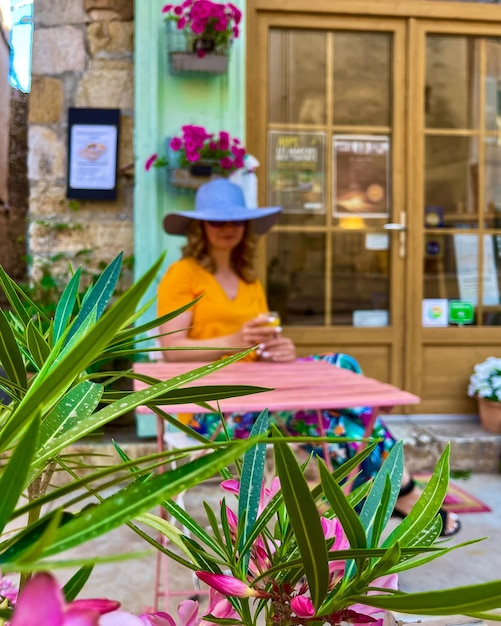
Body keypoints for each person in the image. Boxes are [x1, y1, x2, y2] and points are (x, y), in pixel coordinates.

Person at [157, 178, 460, 537]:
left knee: (340, 364)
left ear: (246, 226)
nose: (228, 229)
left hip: (261, 390)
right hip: (211, 407)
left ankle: (379, 483)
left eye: (236, 221)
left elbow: (260, 343)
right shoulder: (182, 274)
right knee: (339, 422)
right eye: (217, 221)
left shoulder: (247, 277)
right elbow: (171, 349)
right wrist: (236, 340)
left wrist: (280, 350)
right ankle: (399, 493)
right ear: (199, 226)